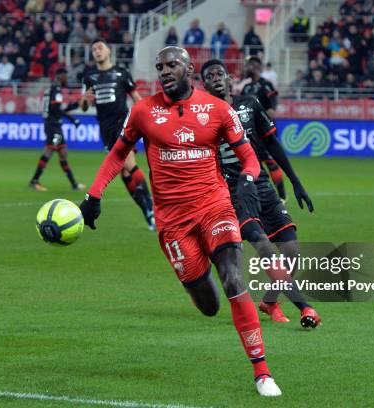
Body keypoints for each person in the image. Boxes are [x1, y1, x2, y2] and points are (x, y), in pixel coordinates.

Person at [79, 46, 282, 397]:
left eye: (172, 64)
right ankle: (197, 280)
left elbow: (249, 158)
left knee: (233, 276)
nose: (165, 71)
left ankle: (262, 372)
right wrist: (93, 196)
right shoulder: (143, 111)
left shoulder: (218, 109)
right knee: (209, 306)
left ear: (189, 68)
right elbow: (117, 154)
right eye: (160, 66)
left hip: (214, 205)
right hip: (173, 222)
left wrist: (248, 181)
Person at [201, 59, 321, 327]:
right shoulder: (205, 116)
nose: (217, 78)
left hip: (262, 185)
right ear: (204, 84)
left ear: (230, 78)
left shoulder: (250, 103)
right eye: (210, 76)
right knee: (264, 246)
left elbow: (272, 144)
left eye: (220, 73)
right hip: (234, 191)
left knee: (292, 252)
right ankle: (305, 306)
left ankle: (269, 301)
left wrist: (295, 182)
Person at [81, 39, 155, 230]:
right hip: (105, 128)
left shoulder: (121, 73)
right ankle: (147, 211)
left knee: (129, 163)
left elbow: (137, 99)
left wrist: (148, 117)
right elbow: (84, 105)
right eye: (94, 49)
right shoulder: (90, 77)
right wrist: (85, 101)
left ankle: (151, 210)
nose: (97, 51)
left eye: (100, 48)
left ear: (108, 51)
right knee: (123, 172)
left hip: (124, 124)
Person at [29, 68, 83, 191]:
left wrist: (74, 105)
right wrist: (72, 119)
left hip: (54, 124)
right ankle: (34, 181)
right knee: (49, 150)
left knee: (63, 152)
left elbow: (57, 108)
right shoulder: (56, 89)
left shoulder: (52, 88)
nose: (66, 79)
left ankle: (74, 184)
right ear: (60, 76)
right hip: (52, 125)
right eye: (65, 76)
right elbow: (56, 109)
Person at [241, 56, 286, 200]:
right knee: (254, 163)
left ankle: (282, 198)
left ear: (255, 67)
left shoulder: (265, 85)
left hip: (265, 130)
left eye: (249, 65)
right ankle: (261, 196)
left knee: (271, 162)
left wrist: (268, 111)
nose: (246, 68)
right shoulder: (246, 88)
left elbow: (272, 105)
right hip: (251, 132)